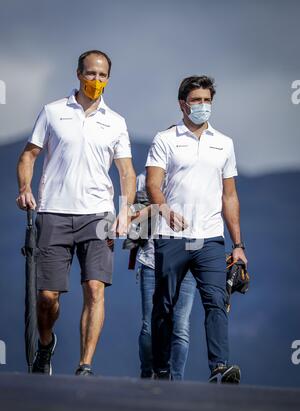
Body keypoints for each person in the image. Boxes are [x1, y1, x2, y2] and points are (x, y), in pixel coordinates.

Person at [16, 50, 136, 376]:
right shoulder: (53, 112)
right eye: (90, 74)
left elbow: (126, 172)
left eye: (102, 75)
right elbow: (29, 155)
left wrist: (125, 211)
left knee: (95, 289)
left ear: (108, 79)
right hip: (54, 212)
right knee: (46, 297)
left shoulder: (116, 122)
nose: (96, 80)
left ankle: (85, 365)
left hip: (98, 217)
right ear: (78, 73)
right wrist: (25, 188)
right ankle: (45, 344)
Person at [146, 75, 247, 383]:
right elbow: (152, 183)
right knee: (164, 305)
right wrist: (164, 209)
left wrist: (238, 245)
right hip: (173, 236)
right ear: (183, 104)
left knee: (217, 300)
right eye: (196, 101)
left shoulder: (224, 143)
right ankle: (161, 368)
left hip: (210, 238)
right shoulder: (165, 139)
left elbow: (229, 196)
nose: (203, 106)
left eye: (207, 101)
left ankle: (219, 367)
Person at [133, 172, 196, 380]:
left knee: (180, 328)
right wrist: (159, 207)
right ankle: (148, 372)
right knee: (149, 327)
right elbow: (130, 221)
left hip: (186, 261)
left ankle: (175, 381)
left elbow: (202, 220)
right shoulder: (143, 180)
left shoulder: (196, 178)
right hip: (152, 261)